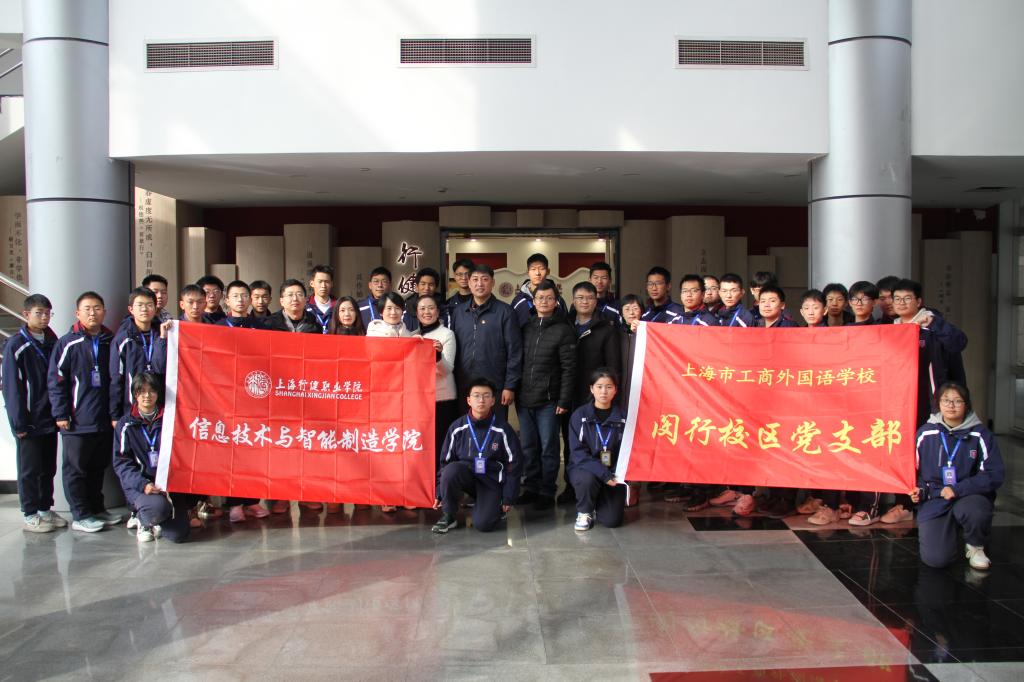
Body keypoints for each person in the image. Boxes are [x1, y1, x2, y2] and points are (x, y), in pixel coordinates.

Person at [880, 279, 969, 526]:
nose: (901, 303)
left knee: (931, 452)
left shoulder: (932, 324)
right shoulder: (890, 329)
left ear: (919, 301)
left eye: (907, 298)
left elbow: (959, 342)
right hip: (898, 402)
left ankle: (937, 501)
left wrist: (935, 324)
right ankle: (905, 504)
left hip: (929, 402)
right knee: (901, 450)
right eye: (896, 299)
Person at [47, 292, 122, 533]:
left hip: (104, 418)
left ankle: (97, 508)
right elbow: (56, 380)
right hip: (77, 420)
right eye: (87, 308)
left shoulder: (110, 340)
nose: (93, 313)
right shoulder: (67, 343)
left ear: (104, 312)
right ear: (77, 313)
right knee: (75, 469)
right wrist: (61, 414)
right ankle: (80, 515)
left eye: (97, 308)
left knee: (98, 466)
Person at [910, 382, 1003, 569]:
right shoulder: (925, 433)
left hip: (970, 494)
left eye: (957, 401)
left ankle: (975, 545)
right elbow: (912, 470)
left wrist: (958, 489)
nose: (951, 405)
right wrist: (917, 490)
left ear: (966, 404)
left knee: (975, 511)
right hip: (935, 497)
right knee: (936, 560)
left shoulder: (981, 435)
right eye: (946, 400)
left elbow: (994, 474)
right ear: (938, 403)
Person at [3, 294, 65, 533]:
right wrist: (19, 423)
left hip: (49, 417)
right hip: (29, 420)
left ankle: (44, 509)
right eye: (39, 313)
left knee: (47, 468)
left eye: (48, 313)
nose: (44, 317)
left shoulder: (52, 340)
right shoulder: (16, 345)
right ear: (26, 314)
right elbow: (12, 388)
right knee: (29, 470)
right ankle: (30, 514)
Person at [113, 373, 196, 543]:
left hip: (169, 484)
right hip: (142, 485)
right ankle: (144, 520)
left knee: (179, 535)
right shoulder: (126, 424)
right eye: (141, 391)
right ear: (135, 394)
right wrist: (143, 484)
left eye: (151, 391)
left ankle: (158, 520)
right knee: (157, 506)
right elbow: (121, 463)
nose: (147, 395)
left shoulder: (171, 419)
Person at [432, 378, 522, 534]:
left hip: (491, 481)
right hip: (467, 477)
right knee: (451, 470)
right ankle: (449, 515)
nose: (481, 400)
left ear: (493, 401)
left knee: (484, 524)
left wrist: (509, 496)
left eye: (486, 396)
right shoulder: (457, 428)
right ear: (469, 400)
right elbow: (445, 462)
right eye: (476, 395)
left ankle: (493, 505)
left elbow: (514, 464)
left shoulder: (503, 429)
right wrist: (440, 492)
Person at [516, 281, 576, 510]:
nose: (544, 302)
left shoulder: (564, 329)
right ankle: (531, 487)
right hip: (525, 399)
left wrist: (564, 400)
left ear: (556, 301)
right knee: (528, 447)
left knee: (549, 448)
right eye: (540, 298)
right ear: (533, 301)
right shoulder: (526, 327)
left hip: (549, 401)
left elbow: (569, 368)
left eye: (549, 298)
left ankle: (547, 490)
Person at [561, 281, 621, 505]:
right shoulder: (565, 324)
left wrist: (605, 393)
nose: (584, 302)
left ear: (596, 301)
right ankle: (572, 485)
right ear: (573, 301)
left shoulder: (606, 328)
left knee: (598, 441)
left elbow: (613, 366)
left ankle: (603, 483)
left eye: (589, 298)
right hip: (568, 393)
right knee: (571, 441)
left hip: (596, 396)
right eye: (580, 298)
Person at [264, 280, 321, 514]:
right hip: (278, 393)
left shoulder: (313, 323)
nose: (295, 299)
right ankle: (281, 496)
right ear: (281, 300)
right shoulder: (270, 324)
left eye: (299, 294)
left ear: (306, 299)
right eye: (289, 295)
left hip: (306, 393)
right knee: (281, 445)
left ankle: (306, 495)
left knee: (306, 445)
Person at [215, 281, 270, 522]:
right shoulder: (216, 328)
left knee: (255, 449)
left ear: (250, 300)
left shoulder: (261, 327)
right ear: (227, 300)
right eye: (235, 296)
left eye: (244, 296)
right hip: (227, 397)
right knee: (232, 452)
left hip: (255, 395)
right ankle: (234, 503)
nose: (240, 300)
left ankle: (253, 501)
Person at [449, 263, 522, 422]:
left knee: (495, 428)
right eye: (475, 279)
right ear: (469, 283)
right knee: (466, 428)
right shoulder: (459, 312)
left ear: (493, 282)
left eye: (484, 279)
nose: (479, 284)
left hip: (495, 386)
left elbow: (514, 351)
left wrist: (510, 386)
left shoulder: (505, 312)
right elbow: (452, 347)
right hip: (465, 384)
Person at [568, 369, 628, 532]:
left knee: (612, 521)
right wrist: (603, 474)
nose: (604, 392)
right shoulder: (580, 416)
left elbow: (628, 450)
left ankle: (599, 502)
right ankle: (584, 511)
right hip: (584, 467)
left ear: (615, 390)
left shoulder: (624, 417)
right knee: (586, 479)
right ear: (591, 389)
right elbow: (578, 453)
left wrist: (617, 474)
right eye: (599, 386)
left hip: (613, 472)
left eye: (609, 387)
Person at [110, 288, 168, 422]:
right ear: (131, 309)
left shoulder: (163, 335)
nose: (144, 309)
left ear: (155, 308)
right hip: (132, 408)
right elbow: (116, 378)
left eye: (149, 305)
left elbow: (162, 367)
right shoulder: (122, 340)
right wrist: (115, 414)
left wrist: (163, 339)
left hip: (161, 407)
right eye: (140, 305)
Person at [511, 253, 568, 328]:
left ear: (548, 271)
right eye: (533, 269)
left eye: (541, 269)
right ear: (527, 272)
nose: (537, 273)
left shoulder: (557, 300)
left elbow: (566, 326)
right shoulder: (518, 301)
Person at [617, 295, 643, 409]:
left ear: (642, 311)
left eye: (635, 308)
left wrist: (639, 331)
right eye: (627, 309)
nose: (631, 313)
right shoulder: (614, 333)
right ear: (621, 313)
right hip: (618, 385)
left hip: (640, 385)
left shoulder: (648, 334)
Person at [403, 267, 445, 331]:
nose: (426, 288)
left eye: (431, 284)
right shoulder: (406, 307)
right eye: (423, 284)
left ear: (436, 287)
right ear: (417, 286)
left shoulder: (444, 308)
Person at [306, 265, 336, 334]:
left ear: (332, 284)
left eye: (327, 282)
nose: (323, 286)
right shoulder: (305, 306)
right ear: (312, 283)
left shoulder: (339, 306)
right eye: (320, 281)